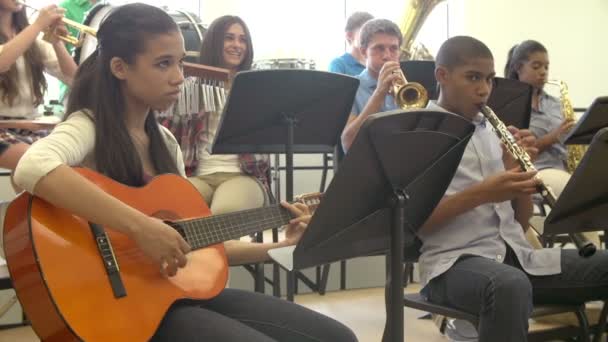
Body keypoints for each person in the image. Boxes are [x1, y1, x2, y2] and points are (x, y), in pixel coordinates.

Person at [13, 4, 358, 341]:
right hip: (123, 306)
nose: (179, 77)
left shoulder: (165, 142)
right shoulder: (89, 126)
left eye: (180, 63)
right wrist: (141, 227)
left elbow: (194, 242)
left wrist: (281, 247)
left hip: (172, 291)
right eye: (163, 64)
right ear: (120, 67)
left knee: (336, 335)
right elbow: (32, 166)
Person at [418, 35, 608, 342]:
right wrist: (484, 192)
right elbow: (416, 222)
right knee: (509, 285)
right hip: (451, 265)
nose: (484, 89)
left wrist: (519, 174)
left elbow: (519, 222)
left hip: (517, 257)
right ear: (442, 75)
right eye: (473, 77)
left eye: (490, 79)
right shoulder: (421, 133)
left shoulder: (494, 131)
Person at [170, 15, 271, 216]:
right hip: (198, 175)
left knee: (222, 214)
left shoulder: (256, 87)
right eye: (229, 38)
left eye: (242, 39)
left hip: (244, 177)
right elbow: (168, 136)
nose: (237, 45)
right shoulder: (189, 86)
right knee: (174, 210)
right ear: (215, 41)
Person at [504, 39, 600, 247]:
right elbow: (514, 149)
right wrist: (553, 136)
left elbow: (568, 140)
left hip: (561, 169)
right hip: (535, 171)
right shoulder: (511, 105)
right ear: (518, 68)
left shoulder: (556, 104)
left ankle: (593, 262)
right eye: (536, 66)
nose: (543, 72)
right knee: (574, 192)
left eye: (546, 67)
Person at [0, 0, 76, 170]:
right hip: (3, 129)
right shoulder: (31, 32)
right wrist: (38, 25)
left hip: (30, 126)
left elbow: (72, 78)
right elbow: (2, 62)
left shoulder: (30, 36)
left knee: (73, 161)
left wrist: (57, 42)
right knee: (39, 164)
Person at [340, 18, 402, 153]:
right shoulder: (349, 88)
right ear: (363, 52)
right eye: (379, 48)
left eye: (393, 49)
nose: (387, 56)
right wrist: (379, 93)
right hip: (365, 169)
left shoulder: (408, 89)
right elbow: (348, 143)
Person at [57, 0, 97, 102]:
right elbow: (55, 59)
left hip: (104, 84)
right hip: (73, 88)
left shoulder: (112, 5)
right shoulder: (65, 7)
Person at [328, 11, 373, 76]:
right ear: (349, 35)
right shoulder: (339, 64)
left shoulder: (376, 63)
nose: (372, 37)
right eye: (366, 32)